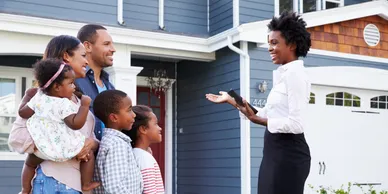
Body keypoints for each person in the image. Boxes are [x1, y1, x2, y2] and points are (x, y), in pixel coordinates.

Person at [206, 11, 312, 194]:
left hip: (289, 155)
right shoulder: (283, 76)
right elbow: (268, 115)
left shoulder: (296, 75)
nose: (270, 48)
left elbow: (296, 123)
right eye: (269, 43)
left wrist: (259, 121)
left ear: (292, 44)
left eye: (274, 43)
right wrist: (233, 101)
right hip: (274, 152)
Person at [8, 35, 99, 194]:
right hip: (54, 181)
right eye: (83, 56)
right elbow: (16, 138)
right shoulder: (40, 97)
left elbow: (87, 136)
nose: (87, 62)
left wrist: (91, 144)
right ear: (66, 56)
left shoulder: (76, 98)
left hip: (75, 185)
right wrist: (64, 148)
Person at [92, 90, 143, 194]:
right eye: (129, 110)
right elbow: (114, 187)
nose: (134, 115)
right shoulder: (117, 144)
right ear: (114, 117)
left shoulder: (115, 141)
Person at [75, 24, 116, 141]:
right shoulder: (73, 81)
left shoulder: (111, 87)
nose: (113, 49)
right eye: (106, 44)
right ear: (87, 46)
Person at [123, 105, 165, 194]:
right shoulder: (144, 158)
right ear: (143, 129)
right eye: (156, 124)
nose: (160, 128)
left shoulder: (135, 154)